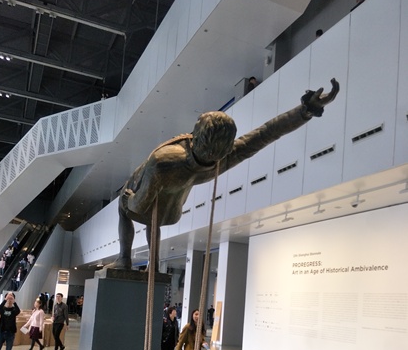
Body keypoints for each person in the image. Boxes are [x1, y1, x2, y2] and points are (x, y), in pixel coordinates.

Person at [106, 79, 339, 271]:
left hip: (157, 189)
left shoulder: (165, 161)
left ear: (197, 135)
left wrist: (128, 198)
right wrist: (305, 111)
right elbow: (266, 134)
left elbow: (138, 206)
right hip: (171, 208)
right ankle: (154, 265)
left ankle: (124, 258)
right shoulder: (220, 160)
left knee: (124, 208)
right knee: (153, 218)